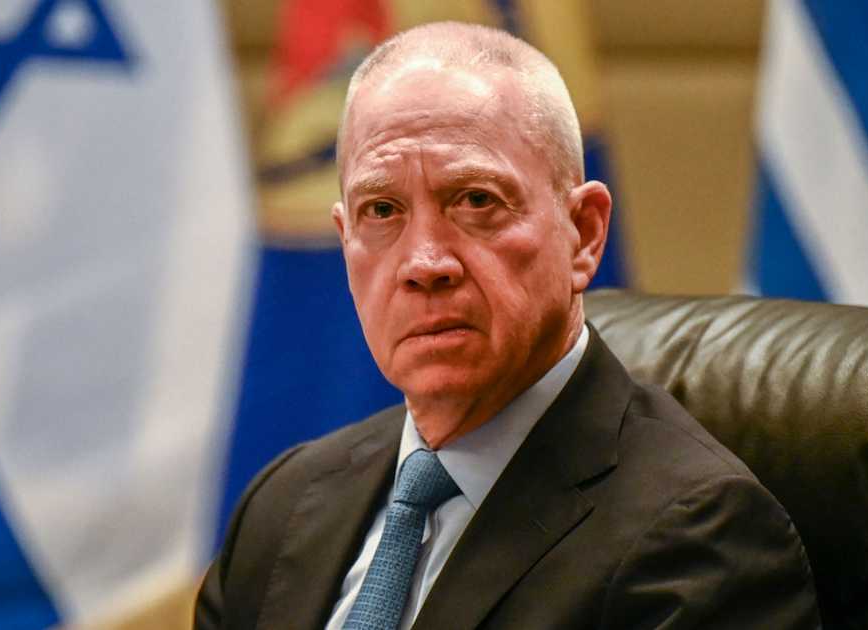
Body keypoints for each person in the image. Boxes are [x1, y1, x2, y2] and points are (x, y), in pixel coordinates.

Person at [195, 21, 819, 630]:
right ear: (345, 240)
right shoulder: (283, 504)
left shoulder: (697, 538)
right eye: (381, 210)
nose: (424, 263)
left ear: (583, 234)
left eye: (476, 201)